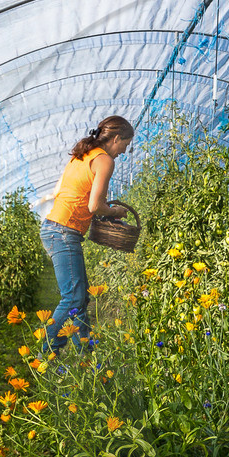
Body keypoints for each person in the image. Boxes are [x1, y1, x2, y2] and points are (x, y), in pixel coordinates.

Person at [40, 115, 134, 350]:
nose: (124, 151)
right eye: (125, 144)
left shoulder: (82, 154)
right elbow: (95, 206)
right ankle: (47, 353)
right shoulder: (104, 160)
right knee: (72, 298)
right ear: (116, 138)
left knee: (80, 298)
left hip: (55, 228)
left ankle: (86, 352)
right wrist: (115, 212)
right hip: (63, 231)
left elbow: (61, 190)